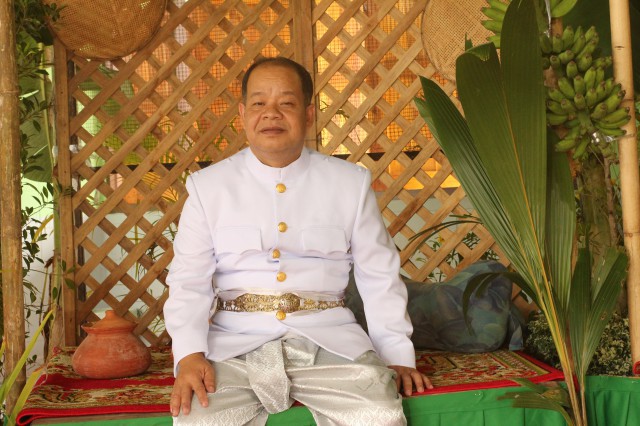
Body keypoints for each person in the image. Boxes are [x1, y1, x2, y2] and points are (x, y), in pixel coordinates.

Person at [163, 57, 433, 426]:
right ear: (242, 114)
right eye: (259, 103)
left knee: (380, 415)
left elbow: (379, 275)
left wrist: (397, 356)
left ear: (308, 114)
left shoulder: (349, 184)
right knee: (198, 418)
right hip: (233, 346)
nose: (271, 113)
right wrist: (189, 355)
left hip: (330, 342)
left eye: (286, 103)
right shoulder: (208, 188)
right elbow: (188, 280)